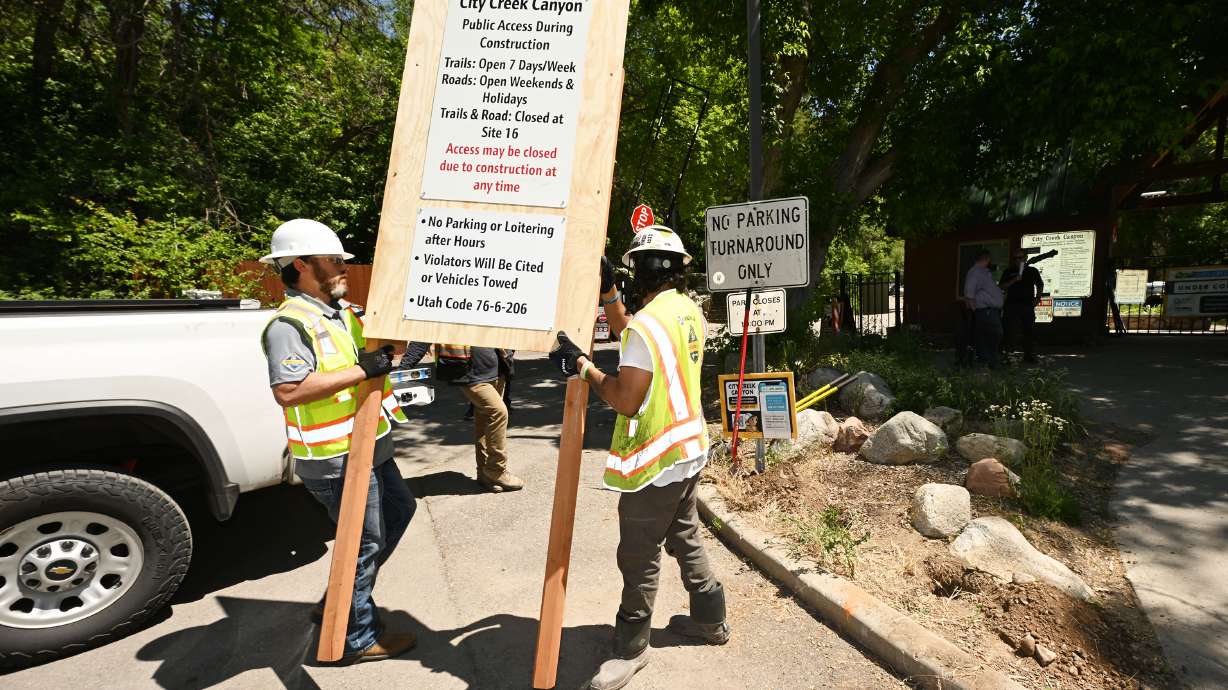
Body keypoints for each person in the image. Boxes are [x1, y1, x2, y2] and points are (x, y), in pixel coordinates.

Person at [549, 226, 729, 690]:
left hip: (658, 460)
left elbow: (626, 397)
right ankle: (711, 617)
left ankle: (631, 648)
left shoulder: (647, 326)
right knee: (685, 534)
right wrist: (608, 293)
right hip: (690, 450)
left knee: (638, 554)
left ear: (641, 271)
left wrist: (584, 368)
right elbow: (636, 337)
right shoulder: (687, 311)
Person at [258, 218, 416, 663]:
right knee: (362, 544)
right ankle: (354, 636)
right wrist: (366, 369)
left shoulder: (344, 313)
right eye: (333, 260)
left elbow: (392, 354)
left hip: (371, 448)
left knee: (399, 513)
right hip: (336, 458)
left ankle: (341, 602)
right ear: (302, 265)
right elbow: (289, 390)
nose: (343, 266)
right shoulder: (289, 323)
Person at [400, 343, 523, 492]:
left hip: (498, 369)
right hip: (469, 373)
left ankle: (485, 473)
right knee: (498, 412)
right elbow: (424, 333)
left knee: (484, 420)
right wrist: (403, 368)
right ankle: (497, 470)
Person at [998, 249, 1044, 363]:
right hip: (1011, 306)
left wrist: (1037, 298)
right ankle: (1007, 356)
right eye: (1015, 258)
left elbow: (1040, 284)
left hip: (1027, 306)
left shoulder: (1032, 271)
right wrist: (1014, 279)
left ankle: (1028, 355)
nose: (1017, 260)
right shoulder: (1008, 271)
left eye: (1020, 258)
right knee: (1009, 331)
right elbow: (1002, 286)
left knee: (1029, 331)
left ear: (1025, 258)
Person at [963, 248, 1005, 369]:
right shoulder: (976, 272)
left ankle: (986, 360)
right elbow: (969, 292)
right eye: (989, 259)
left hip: (989, 310)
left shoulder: (983, 271)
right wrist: (974, 309)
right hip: (986, 310)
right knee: (995, 334)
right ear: (986, 259)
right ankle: (991, 361)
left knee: (986, 335)